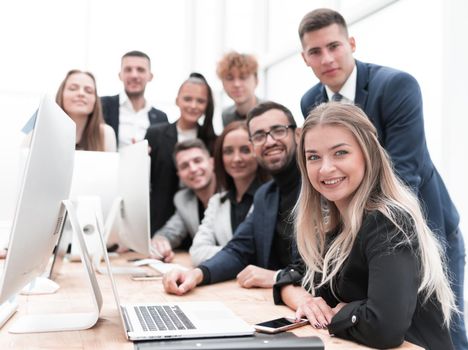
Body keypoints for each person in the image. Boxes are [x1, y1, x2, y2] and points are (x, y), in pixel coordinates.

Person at [297, 8, 466, 349]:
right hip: (357, 220)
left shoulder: (396, 85)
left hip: (419, 223)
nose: (327, 58)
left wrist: (374, 218)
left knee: (443, 326)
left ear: (352, 44)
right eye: (315, 51)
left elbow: (405, 170)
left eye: (334, 46)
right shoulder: (310, 101)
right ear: (305, 58)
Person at [281, 102, 454, 349]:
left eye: (340, 152)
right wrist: (307, 301)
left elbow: (385, 328)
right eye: (313, 157)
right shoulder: (334, 225)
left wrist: (341, 312)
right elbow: (297, 276)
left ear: (367, 153)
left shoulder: (388, 221)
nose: (326, 167)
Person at [162, 101, 301, 294]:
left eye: (278, 130)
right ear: (254, 145)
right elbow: (239, 250)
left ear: (298, 135)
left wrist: (277, 276)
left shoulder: (316, 186)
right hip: (279, 302)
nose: (269, 141)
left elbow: (321, 268)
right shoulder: (266, 195)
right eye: (259, 136)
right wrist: (197, 274)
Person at [145, 73, 217, 234]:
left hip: (198, 220)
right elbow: (144, 180)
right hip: (161, 218)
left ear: (207, 105)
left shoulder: (213, 140)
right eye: (187, 99)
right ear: (177, 100)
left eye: (200, 101)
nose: (193, 105)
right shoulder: (156, 134)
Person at [189, 121, 269, 265]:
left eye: (245, 150)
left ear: (258, 153)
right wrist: (239, 254)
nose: (236, 159)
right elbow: (197, 252)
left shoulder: (271, 198)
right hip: (227, 284)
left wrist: (228, 255)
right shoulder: (217, 201)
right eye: (228, 151)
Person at [151, 139, 216, 262]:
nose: (192, 169)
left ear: (212, 162)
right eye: (184, 166)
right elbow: (172, 231)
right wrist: (160, 241)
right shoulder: (183, 199)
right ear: (179, 174)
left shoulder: (232, 192)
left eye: (197, 161)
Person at [101, 50, 168, 148]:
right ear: (120, 75)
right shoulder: (102, 106)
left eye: (140, 70)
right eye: (128, 70)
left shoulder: (161, 118)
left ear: (150, 76)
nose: (134, 75)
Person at [56, 69, 116, 151]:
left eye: (89, 91)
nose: (81, 93)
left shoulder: (106, 133)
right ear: (61, 94)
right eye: (73, 88)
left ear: (95, 100)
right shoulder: (43, 130)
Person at [216, 51, 261, 127]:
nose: (236, 84)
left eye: (243, 77)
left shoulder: (272, 113)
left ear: (256, 81)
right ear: (222, 83)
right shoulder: (226, 116)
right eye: (229, 78)